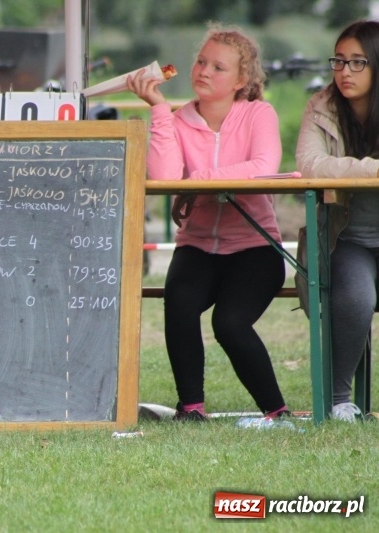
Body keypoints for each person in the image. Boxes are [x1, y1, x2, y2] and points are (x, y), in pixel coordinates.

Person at [126, 23, 291, 421]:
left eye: (218, 67)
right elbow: (165, 177)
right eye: (201, 61)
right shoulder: (178, 119)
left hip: (255, 247)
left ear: (242, 80)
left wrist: (194, 181)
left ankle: (277, 411)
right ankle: (191, 409)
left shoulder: (259, 113)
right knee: (179, 305)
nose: (203, 71)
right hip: (197, 244)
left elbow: (262, 167)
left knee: (229, 323)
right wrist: (158, 110)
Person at [295, 19, 379, 422]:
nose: (344, 71)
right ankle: (339, 401)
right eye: (339, 61)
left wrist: (349, 170)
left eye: (358, 62)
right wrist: (372, 170)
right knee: (355, 297)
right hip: (348, 239)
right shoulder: (321, 106)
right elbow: (309, 165)